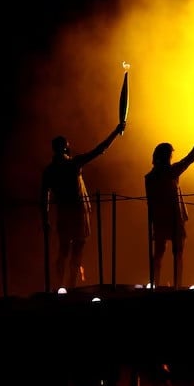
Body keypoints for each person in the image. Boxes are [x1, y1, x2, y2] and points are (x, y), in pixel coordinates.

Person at [40, 121, 126, 289]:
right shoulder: (72, 164)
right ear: (65, 147)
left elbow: (44, 197)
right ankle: (69, 286)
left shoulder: (50, 170)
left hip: (66, 213)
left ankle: (60, 286)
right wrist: (116, 131)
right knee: (75, 249)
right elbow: (100, 149)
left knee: (64, 250)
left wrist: (45, 219)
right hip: (78, 212)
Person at [144, 125, 194, 289]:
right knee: (178, 253)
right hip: (173, 217)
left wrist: (151, 221)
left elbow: (149, 201)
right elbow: (191, 158)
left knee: (158, 254)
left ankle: (155, 284)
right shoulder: (171, 172)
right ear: (167, 156)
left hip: (158, 218)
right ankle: (177, 285)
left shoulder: (150, 177)